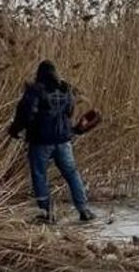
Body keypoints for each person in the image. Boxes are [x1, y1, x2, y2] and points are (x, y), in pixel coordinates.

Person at [7, 60, 96, 223]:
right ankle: (84, 210)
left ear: (39, 74)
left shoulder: (35, 90)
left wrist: (15, 129)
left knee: (40, 175)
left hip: (40, 141)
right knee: (72, 173)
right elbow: (69, 112)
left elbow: (26, 113)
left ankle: (47, 213)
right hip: (63, 140)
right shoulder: (66, 89)